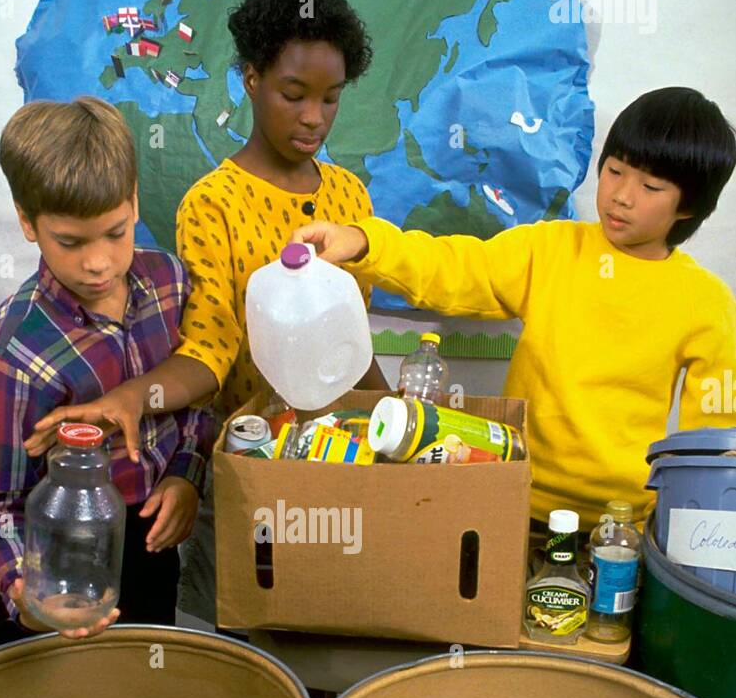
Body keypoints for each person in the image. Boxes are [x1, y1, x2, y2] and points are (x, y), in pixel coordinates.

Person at [24, 0, 385, 621]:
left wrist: (400, 423)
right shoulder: (213, 205)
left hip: (341, 457)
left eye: (331, 99)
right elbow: (211, 352)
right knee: (255, 622)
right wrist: (134, 397)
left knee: (340, 617)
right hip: (253, 465)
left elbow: (351, 337)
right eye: (293, 94)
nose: (313, 118)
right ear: (249, 79)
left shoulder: (350, 198)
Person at [291, 86, 736, 534]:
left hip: (622, 528)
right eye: (615, 170)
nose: (621, 195)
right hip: (513, 499)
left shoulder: (705, 302)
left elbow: (711, 450)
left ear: (691, 206)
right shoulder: (551, 250)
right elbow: (457, 267)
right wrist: (366, 243)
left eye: (650, 186)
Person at [0, 96, 214, 640]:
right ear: (28, 222)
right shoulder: (22, 352)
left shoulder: (171, 284)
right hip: (66, 558)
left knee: (144, 682)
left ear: (133, 200)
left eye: (116, 231)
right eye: (71, 242)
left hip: (151, 539)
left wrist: (185, 476)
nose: (99, 261)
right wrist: (27, 597)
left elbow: (197, 396)